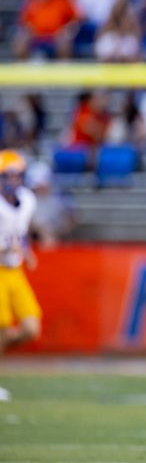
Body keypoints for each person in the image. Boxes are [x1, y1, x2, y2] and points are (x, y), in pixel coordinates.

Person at [0, 150, 42, 402]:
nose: (14, 181)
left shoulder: (27, 200)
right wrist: (7, 248)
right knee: (3, 331)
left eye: (18, 176)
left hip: (15, 270)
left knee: (31, 328)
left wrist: (24, 251)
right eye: (8, 176)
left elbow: (19, 233)